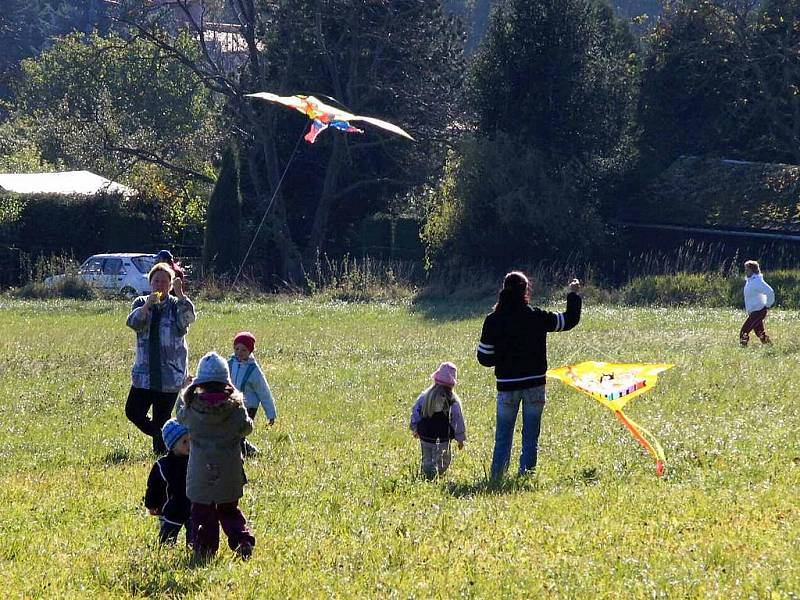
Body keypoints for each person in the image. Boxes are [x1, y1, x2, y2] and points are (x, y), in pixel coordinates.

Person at [477, 271, 582, 479]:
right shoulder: (536, 316)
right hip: (535, 385)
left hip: (507, 386)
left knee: (503, 436)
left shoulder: (493, 320)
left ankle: (497, 476)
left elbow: (484, 358)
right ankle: (525, 476)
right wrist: (573, 294)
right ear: (526, 291)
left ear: (503, 289)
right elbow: (568, 320)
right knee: (531, 436)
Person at [177, 352, 256, 560]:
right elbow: (247, 429)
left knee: (202, 513)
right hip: (229, 473)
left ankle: (204, 550)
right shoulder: (236, 407)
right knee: (229, 511)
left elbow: (180, 417)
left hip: (200, 473)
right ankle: (243, 541)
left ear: (199, 383)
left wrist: (183, 391)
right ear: (226, 382)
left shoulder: (192, 408)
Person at [125, 263, 196, 454]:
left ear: (171, 284)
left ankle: (163, 455)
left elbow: (189, 318)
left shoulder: (175, 305)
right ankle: (168, 438)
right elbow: (133, 323)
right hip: (144, 374)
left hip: (169, 374)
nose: (160, 284)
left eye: (165, 281)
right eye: (156, 280)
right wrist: (148, 305)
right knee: (133, 412)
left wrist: (181, 296)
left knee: (161, 418)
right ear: (150, 282)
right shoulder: (140, 302)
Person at [409, 362, 467, 479]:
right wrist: (460, 438)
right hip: (442, 437)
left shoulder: (425, 396)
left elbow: (416, 410)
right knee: (442, 460)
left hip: (425, 434)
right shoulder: (452, 400)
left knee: (427, 456)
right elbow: (457, 420)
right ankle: (436, 474)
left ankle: (427, 473)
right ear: (452, 384)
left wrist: (414, 427)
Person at [228, 331, 277, 457]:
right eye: (237, 349)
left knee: (241, 431)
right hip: (233, 404)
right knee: (232, 432)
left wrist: (270, 413)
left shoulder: (253, 370)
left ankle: (243, 454)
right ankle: (248, 451)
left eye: (243, 350)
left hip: (249, 406)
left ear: (250, 352)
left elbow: (264, 392)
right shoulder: (230, 364)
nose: (239, 352)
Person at [144, 419, 192, 545]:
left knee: (195, 535)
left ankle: (195, 550)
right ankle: (165, 548)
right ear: (172, 445)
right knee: (167, 538)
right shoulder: (163, 465)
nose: (189, 445)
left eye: (191, 440)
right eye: (184, 442)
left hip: (194, 506)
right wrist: (151, 504)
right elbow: (154, 487)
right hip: (173, 507)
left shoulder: (196, 460)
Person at [740, 260, 775, 347]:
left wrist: (768, 304)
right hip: (754, 312)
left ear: (753, 270)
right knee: (759, 333)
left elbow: (770, 292)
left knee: (744, 332)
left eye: (747, 269)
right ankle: (769, 346)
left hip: (758, 311)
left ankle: (742, 349)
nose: (745, 271)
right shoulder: (750, 281)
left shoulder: (757, 281)